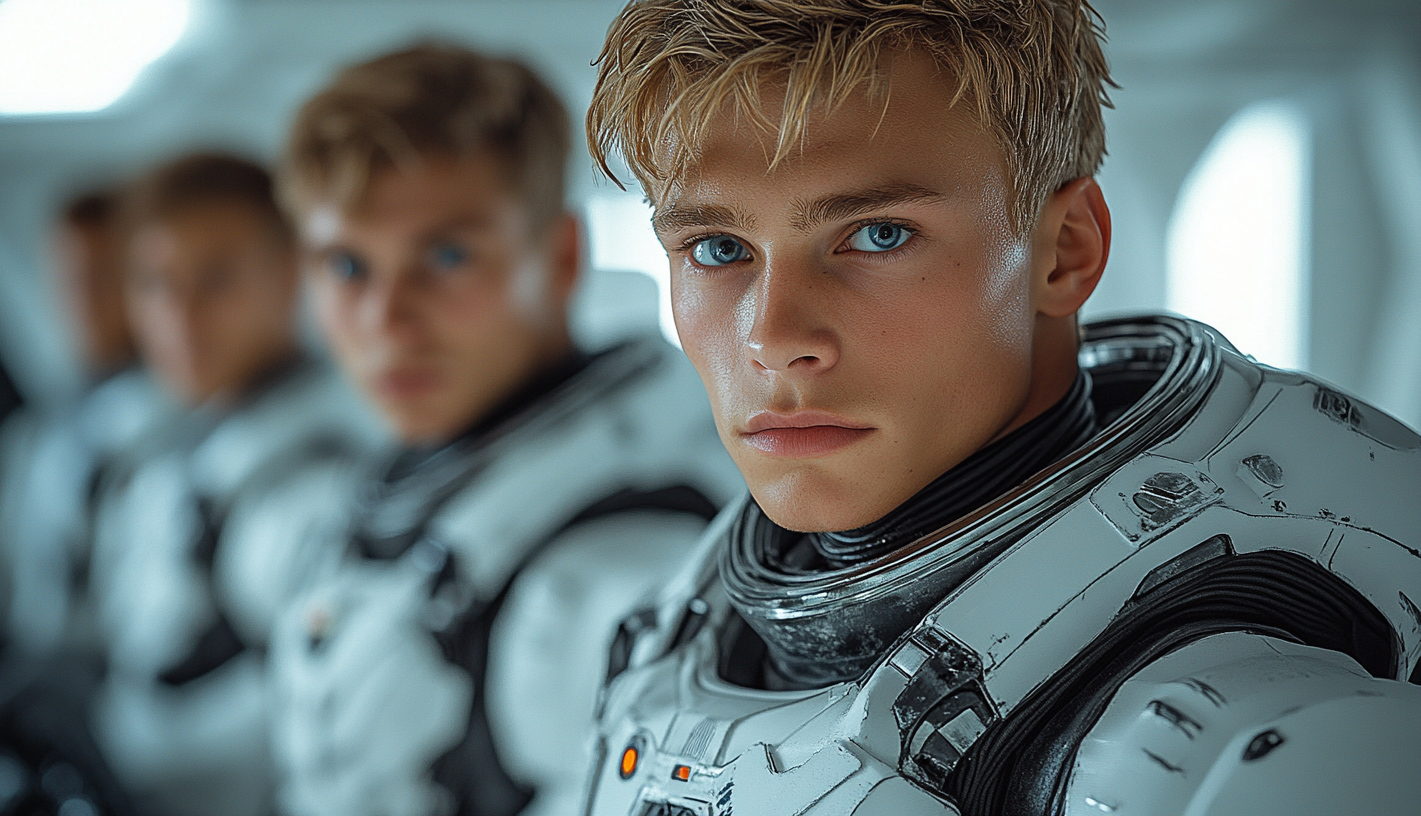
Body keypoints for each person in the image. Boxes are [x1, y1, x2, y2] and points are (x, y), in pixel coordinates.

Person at [577, 2, 1421, 815]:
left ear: (1066, 252)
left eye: (877, 234)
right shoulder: (677, 637)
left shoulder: (1235, 761)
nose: (774, 337)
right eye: (717, 249)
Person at [266, 43, 745, 816]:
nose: (386, 319)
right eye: (348, 267)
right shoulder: (375, 502)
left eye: (447, 255)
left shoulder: (615, 578)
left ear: (559, 258)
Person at [88, 153, 383, 816]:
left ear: (288, 276)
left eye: (216, 280)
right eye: (155, 283)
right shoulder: (170, 454)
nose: (180, 315)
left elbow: (324, 718)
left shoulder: (315, 489)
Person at [0, 188, 167, 816]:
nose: (85, 297)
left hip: (120, 718)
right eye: (69, 278)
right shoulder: (35, 436)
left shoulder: (172, 427)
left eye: (105, 276)